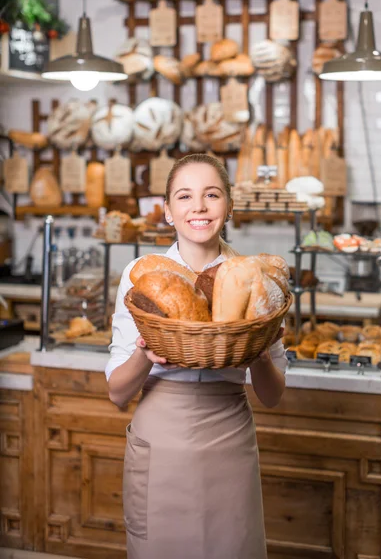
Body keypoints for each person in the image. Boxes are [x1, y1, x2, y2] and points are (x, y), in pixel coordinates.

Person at [106, 153, 287, 559]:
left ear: (230, 206)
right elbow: (117, 393)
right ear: (168, 211)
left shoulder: (251, 276)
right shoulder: (141, 277)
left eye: (212, 194)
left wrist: (258, 352)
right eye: (184, 197)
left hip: (230, 442)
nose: (199, 207)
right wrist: (145, 355)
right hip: (160, 442)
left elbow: (274, 396)